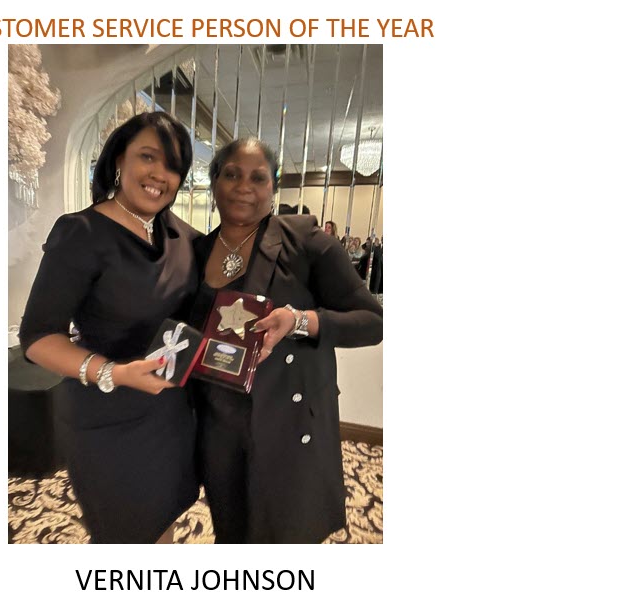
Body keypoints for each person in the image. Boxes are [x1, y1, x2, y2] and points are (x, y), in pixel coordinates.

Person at [189, 137, 384, 543]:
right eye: (231, 174)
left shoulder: (305, 241)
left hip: (288, 423)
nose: (244, 186)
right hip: (220, 424)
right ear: (215, 182)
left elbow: (373, 322)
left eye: (258, 177)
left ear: (273, 187)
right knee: (232, 530)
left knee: (286, 534)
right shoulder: (197, 250)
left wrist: (299, 321)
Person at [19, 112, 200, 544]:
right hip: (108, 418)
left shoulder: (184, 236)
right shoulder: (81, 233)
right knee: (125, 532)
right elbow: (38, 337)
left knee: (165, 517)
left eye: (172, 165)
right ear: (119, 159)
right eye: (148, 157)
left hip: (171, 415)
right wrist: (114, 373)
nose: (159, 174)